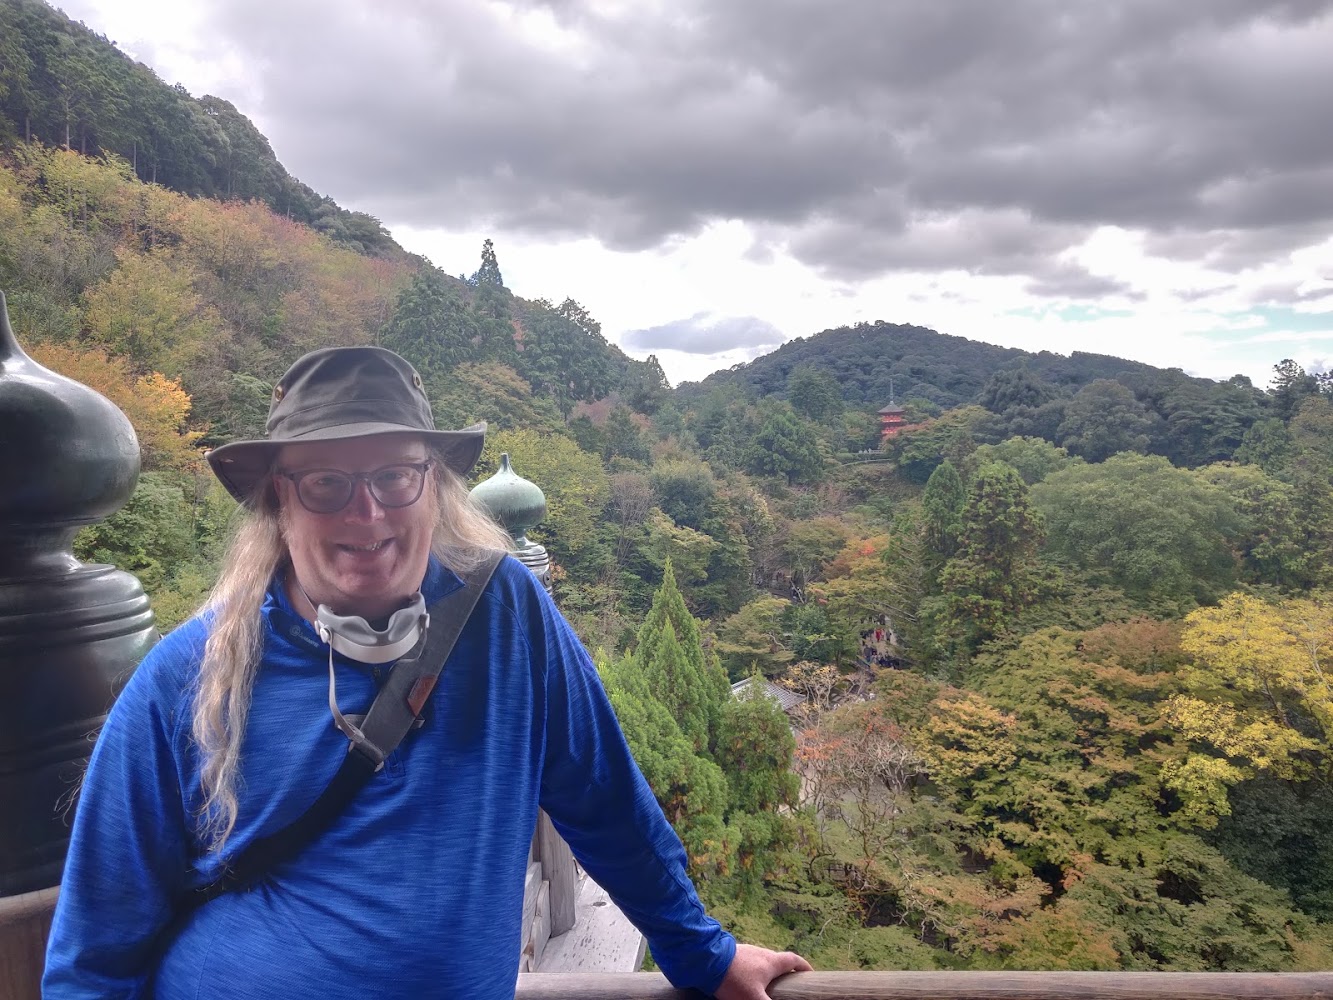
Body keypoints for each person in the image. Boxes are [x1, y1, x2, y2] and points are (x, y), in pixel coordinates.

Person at [43, 346, 811, 999]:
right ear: (280, 499)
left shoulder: (504, 612)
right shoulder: (192, 674)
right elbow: (94, 948)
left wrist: (700, 953)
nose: (367, 514)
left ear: (434, 485)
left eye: (394, 477)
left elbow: (602, 797)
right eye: (326, 483)